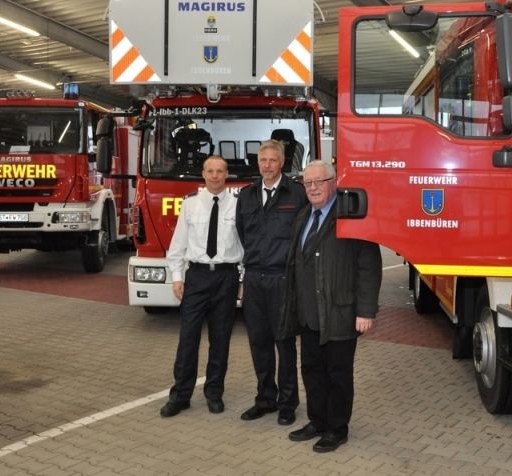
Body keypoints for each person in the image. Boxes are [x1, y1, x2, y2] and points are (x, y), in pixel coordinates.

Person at [279, 160, 382, 453]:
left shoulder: (351, 217)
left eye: (318, 182)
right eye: (307, 183)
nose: (312, 188)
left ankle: (337, 428)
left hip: (340, 312)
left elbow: (369, 266)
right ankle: (318, 421)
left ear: (333, 182)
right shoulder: (303, 216)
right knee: (312, 370)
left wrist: (366, 311)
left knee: (338, 374)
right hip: (308, 314)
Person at [160, 155, 243, 418]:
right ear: (203, 174)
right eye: (210, 171)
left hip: (226, 278)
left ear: (227, 174)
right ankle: (180, 395)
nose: (215, 176)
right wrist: (177, 277)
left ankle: (214, 393)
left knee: (220, 339)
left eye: (220, 171)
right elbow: (178, 244)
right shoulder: (190, 205)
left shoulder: (238, 206)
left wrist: (242, 279)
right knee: (188, 339)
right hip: (196, 277)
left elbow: (246, 246)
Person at [236, 140, 308, 426]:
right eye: (263, 160)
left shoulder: (297, 194)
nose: (267, 165)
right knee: (259, 342)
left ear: (282, 163)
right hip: (255, 279)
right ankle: (265, 399)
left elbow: (303, 236)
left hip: (282, 280)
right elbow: (242, 233)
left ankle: (288, 403)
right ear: (258, 163)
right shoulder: (247, 196)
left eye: (273, 160)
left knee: (284, 343)